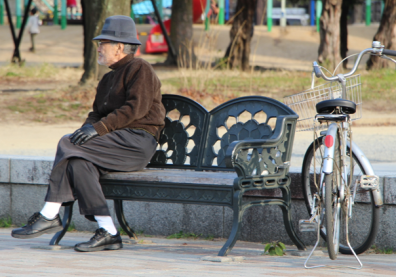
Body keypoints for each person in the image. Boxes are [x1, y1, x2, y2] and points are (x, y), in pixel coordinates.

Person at [11, 15, 166, 252]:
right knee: (77, 162)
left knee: (66, 143)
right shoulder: (107, 78)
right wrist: (85, 130)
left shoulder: (140, 68)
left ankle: (49, 213)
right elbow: (96, 115)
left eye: (103, 43)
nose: (99, 48)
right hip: (114, 142)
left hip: (136, 142)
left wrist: (98, 130)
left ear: (120, 47)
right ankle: (109, 232)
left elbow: (136, 109)